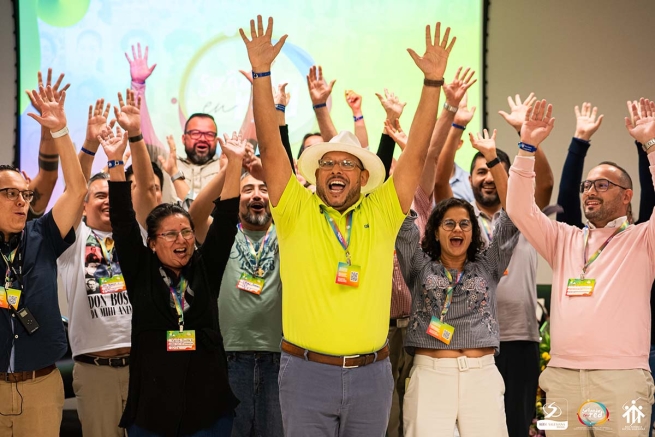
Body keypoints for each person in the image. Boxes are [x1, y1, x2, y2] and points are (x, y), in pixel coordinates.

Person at [239, 15, 455, 436]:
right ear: (315, 176)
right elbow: (269, 144)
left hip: (371, 375)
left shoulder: (383, 209)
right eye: (327, 164)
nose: (336, 169)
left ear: (362, 177)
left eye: (347, 164)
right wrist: (261, 74)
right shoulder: (294, 208)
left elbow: (415, 156)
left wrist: (433, 85)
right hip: (305, 373)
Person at [506, 98, 655, 437]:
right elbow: (519, 209)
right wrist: (527, 147)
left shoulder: (644, 240)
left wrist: (650, 145)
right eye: (586, 185)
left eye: (602, 185)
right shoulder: (563, 239)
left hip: (622, 380)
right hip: (562, 379)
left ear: (627, 195)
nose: (590, 191)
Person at [102, 107, 244, 435]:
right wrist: (113, 162)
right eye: (170, 234)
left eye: (187, 232)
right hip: (152, 410)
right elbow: (123, 223)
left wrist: (234, 162)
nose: (181, 240)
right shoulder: (141, 270)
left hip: (208, 408)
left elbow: (224, 221)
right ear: (152, 242)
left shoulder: (205, 267)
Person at [397, 129, 518, 437]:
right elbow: (400, 216)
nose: (458, 229)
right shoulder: (419, 264)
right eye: (448, 223)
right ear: (435, 231)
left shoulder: (488, 265)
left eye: (465, 223)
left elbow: (513, 214)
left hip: (482, 377)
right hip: (430, 376)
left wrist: (492, 157)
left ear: (473, 231)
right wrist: (408, 155)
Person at [57, 91, 162, 437]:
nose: (105, 201)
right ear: (84, 205)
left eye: (110, 194)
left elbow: (146, 188)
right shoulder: (73, 241)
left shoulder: (139, 236)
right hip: (95, 371)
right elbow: (75, 187)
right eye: (98, 195)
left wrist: (134, 137)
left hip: (144, 366)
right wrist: (88, 144)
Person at [0, 85, 87, 436]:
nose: (22, 201)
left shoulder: (42, 235)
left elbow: (76, 190)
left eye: (25, 194)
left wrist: (61, 131)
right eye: (10, 194)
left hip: (41, 385)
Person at [189, 133, 283, 437]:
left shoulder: (288, 233)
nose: (256, 195)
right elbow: (195, 217)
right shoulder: (221, 235)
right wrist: (230, 167)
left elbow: (296, 190)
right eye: (247, 190)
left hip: (279, 357)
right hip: (229, 358)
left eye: (263, 188)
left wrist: (262, 170)